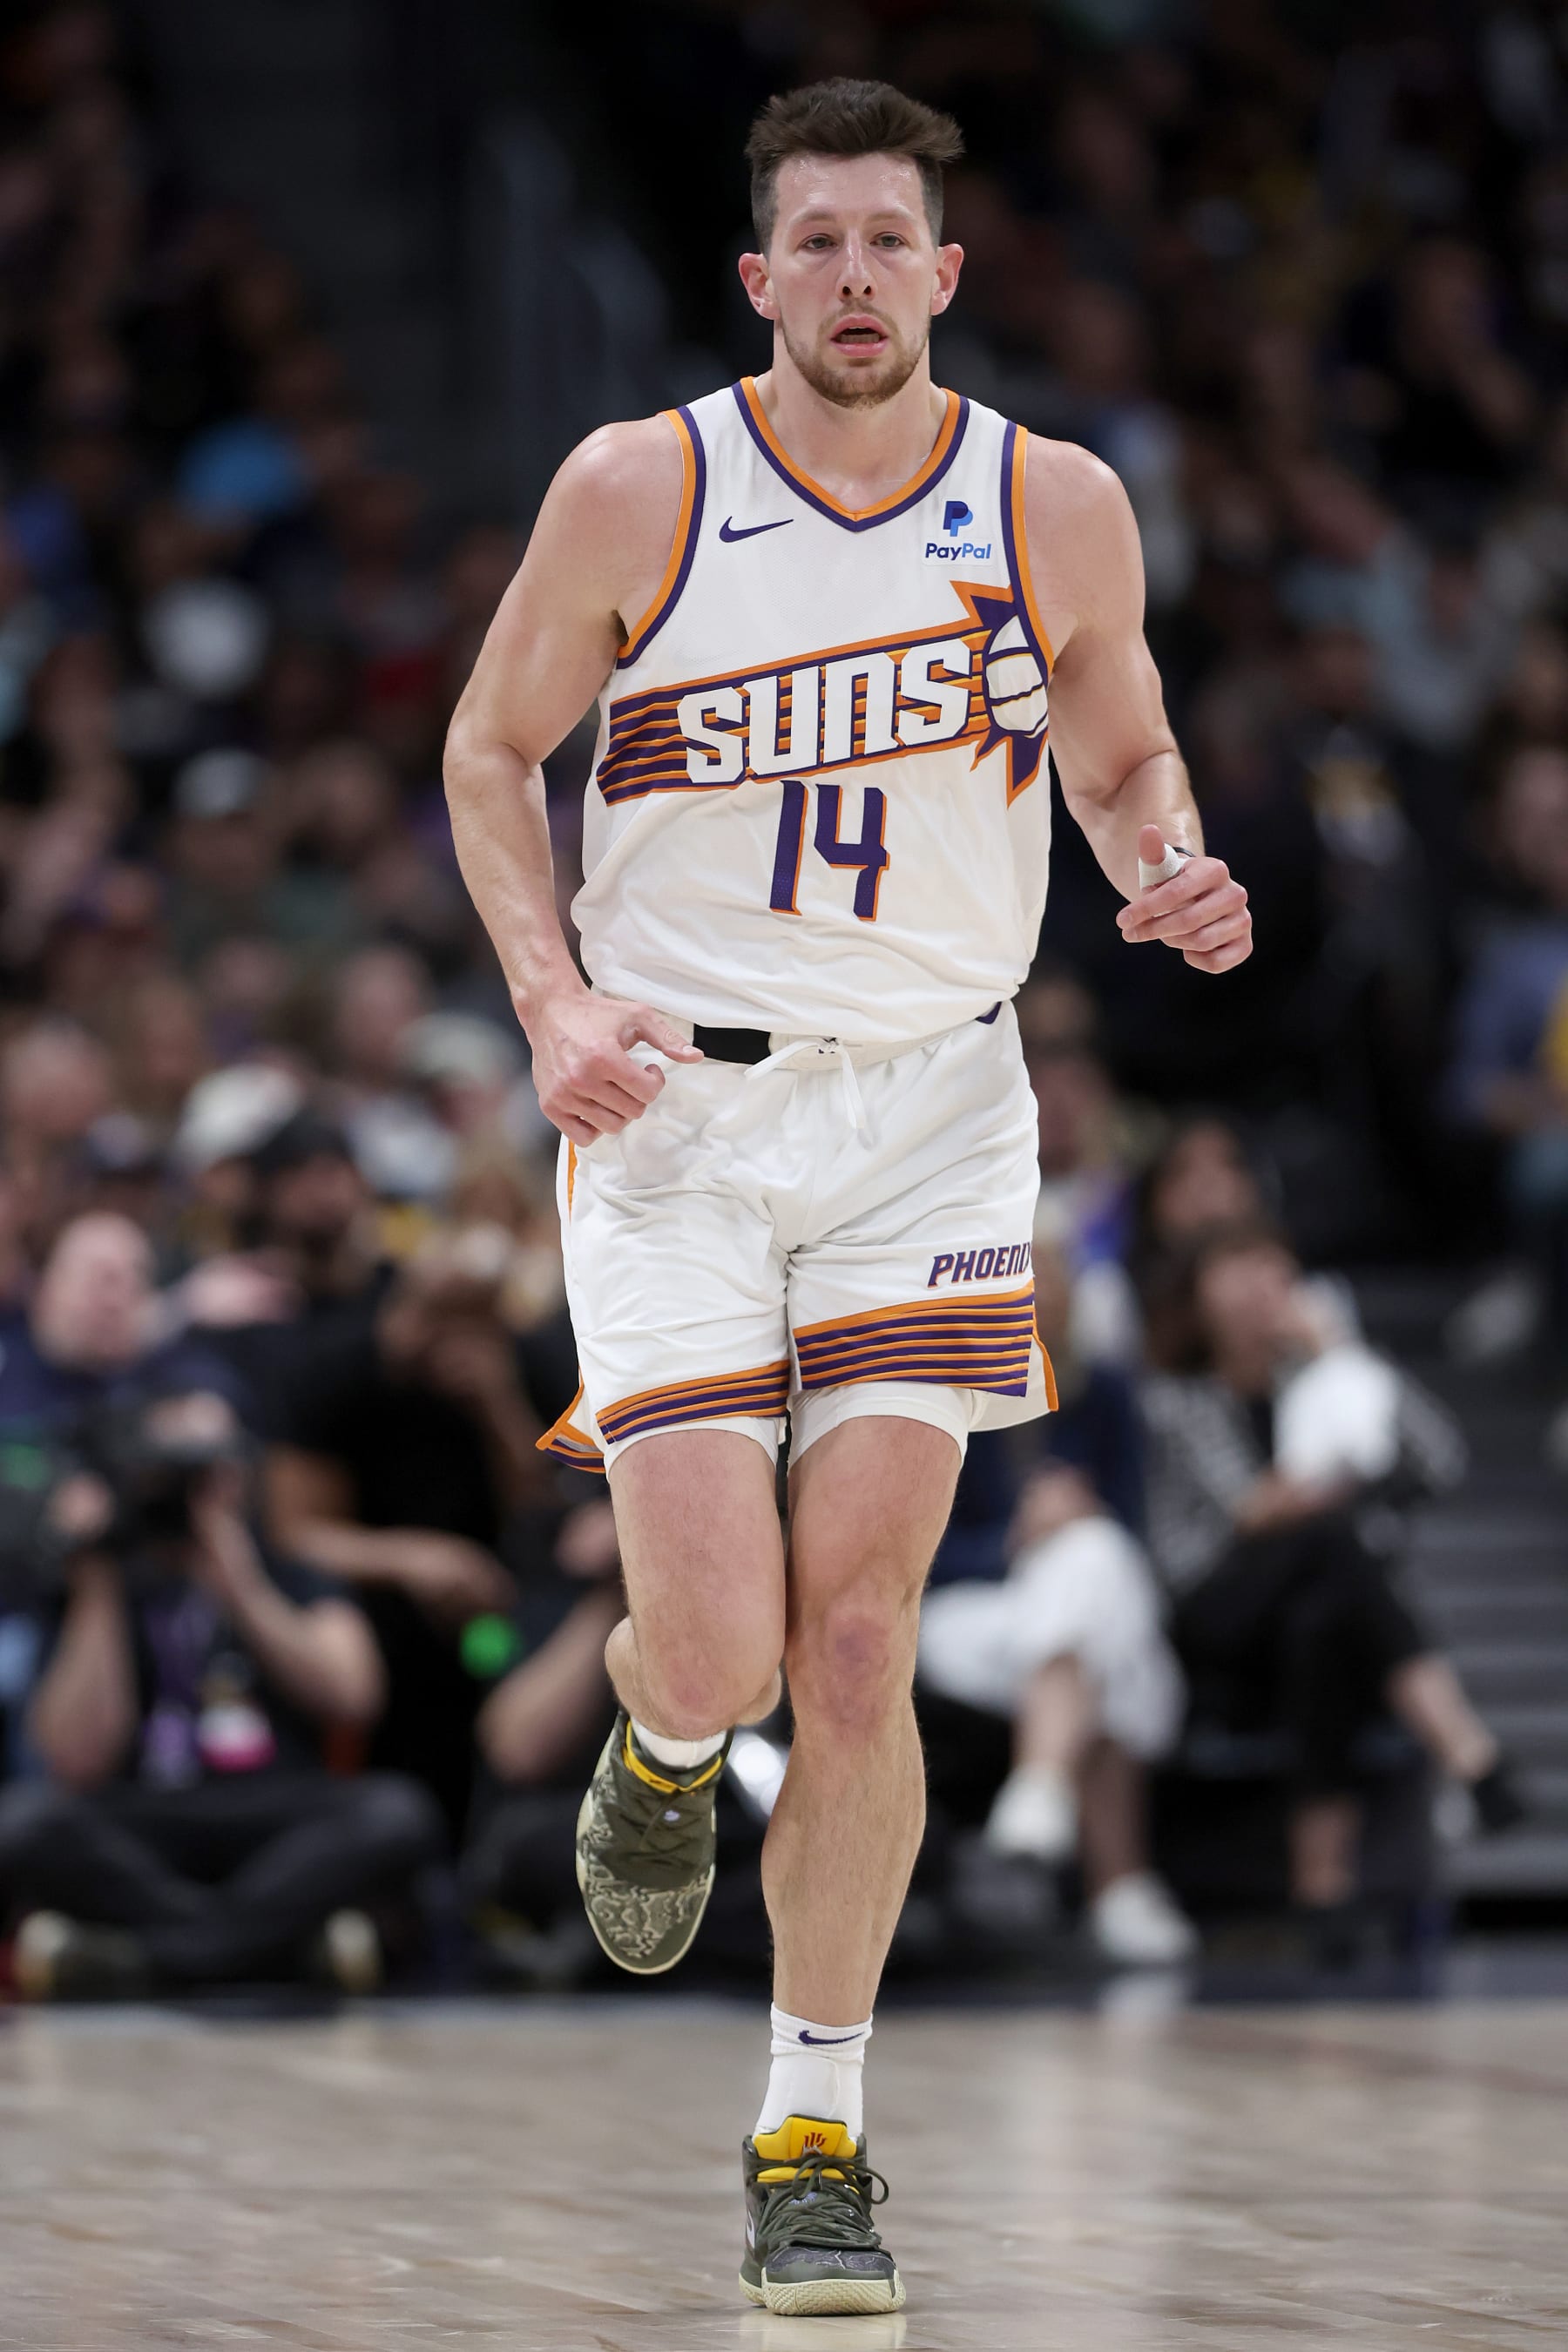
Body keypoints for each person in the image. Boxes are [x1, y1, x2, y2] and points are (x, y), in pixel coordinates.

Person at [443, 78, 1252, 2317]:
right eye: (820, 242)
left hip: (931, 1109)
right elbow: (486, 752)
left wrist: (1162, 860)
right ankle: (662, 1728)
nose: (859, 277)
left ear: (948, 271)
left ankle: (815, 2132)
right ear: (759, 278)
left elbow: (1119, 741)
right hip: (680, 1115)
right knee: (716, 1639)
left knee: (867, 1631)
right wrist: (545, 999)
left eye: (893, 240)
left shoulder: (1056, 502)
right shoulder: (642, 485)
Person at [1140, 1221, 1523, 1954]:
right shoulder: (1178, 1399)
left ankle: (1325, 1893)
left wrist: (1341, 1359)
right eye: (1238, 1271)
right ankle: (1470, 1755)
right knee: (1335, 1541)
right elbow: (1251, 1510)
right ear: (1198, 1296)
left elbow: (1438, 1461)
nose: (1261, 1291)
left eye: (1275, 1273)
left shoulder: (1323, 1380)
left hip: (1306, 1622)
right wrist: (1340, 1471)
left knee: (1324, 1621)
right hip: (1213, 1614)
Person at [0, 1386, 443, 2000]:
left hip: (273, 1815)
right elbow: (76, 1758)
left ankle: (150, 1956)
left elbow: (353, 1696)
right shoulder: (103, 1577)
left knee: (395, 1812)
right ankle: (271, 1948)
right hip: (145, 1816)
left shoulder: (286, 1570)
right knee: (22, 1820)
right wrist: (95, 1582)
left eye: (210, 1465)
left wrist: (238, 1579)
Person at [917, 1243, 1193, 1964]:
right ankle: (1120, 1887)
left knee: (1093, 1556)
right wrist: (1013, 1541)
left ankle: (1040, 1787)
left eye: (1051, 1276)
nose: (1039, 1294)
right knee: (1107, 1635)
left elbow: (1134, 1530)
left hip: (1070, 1607)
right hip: (968, 1612)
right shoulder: (934, 1395)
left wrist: (1074, 1521)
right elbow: (913, 1555)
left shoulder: (1105, 1391)